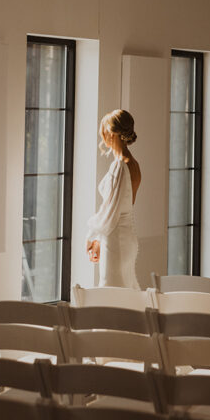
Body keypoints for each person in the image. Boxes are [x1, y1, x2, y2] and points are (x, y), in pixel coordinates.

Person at [85, 109, 141, 288]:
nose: (103, 137)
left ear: (111, 132)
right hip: (127, 237)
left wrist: (92, 237)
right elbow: (123, 206)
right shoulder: (134, 164)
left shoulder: (119, 165)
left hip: (116, 240)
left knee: (112, 291)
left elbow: (110, 210)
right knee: (125, 290)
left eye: (104, 131)